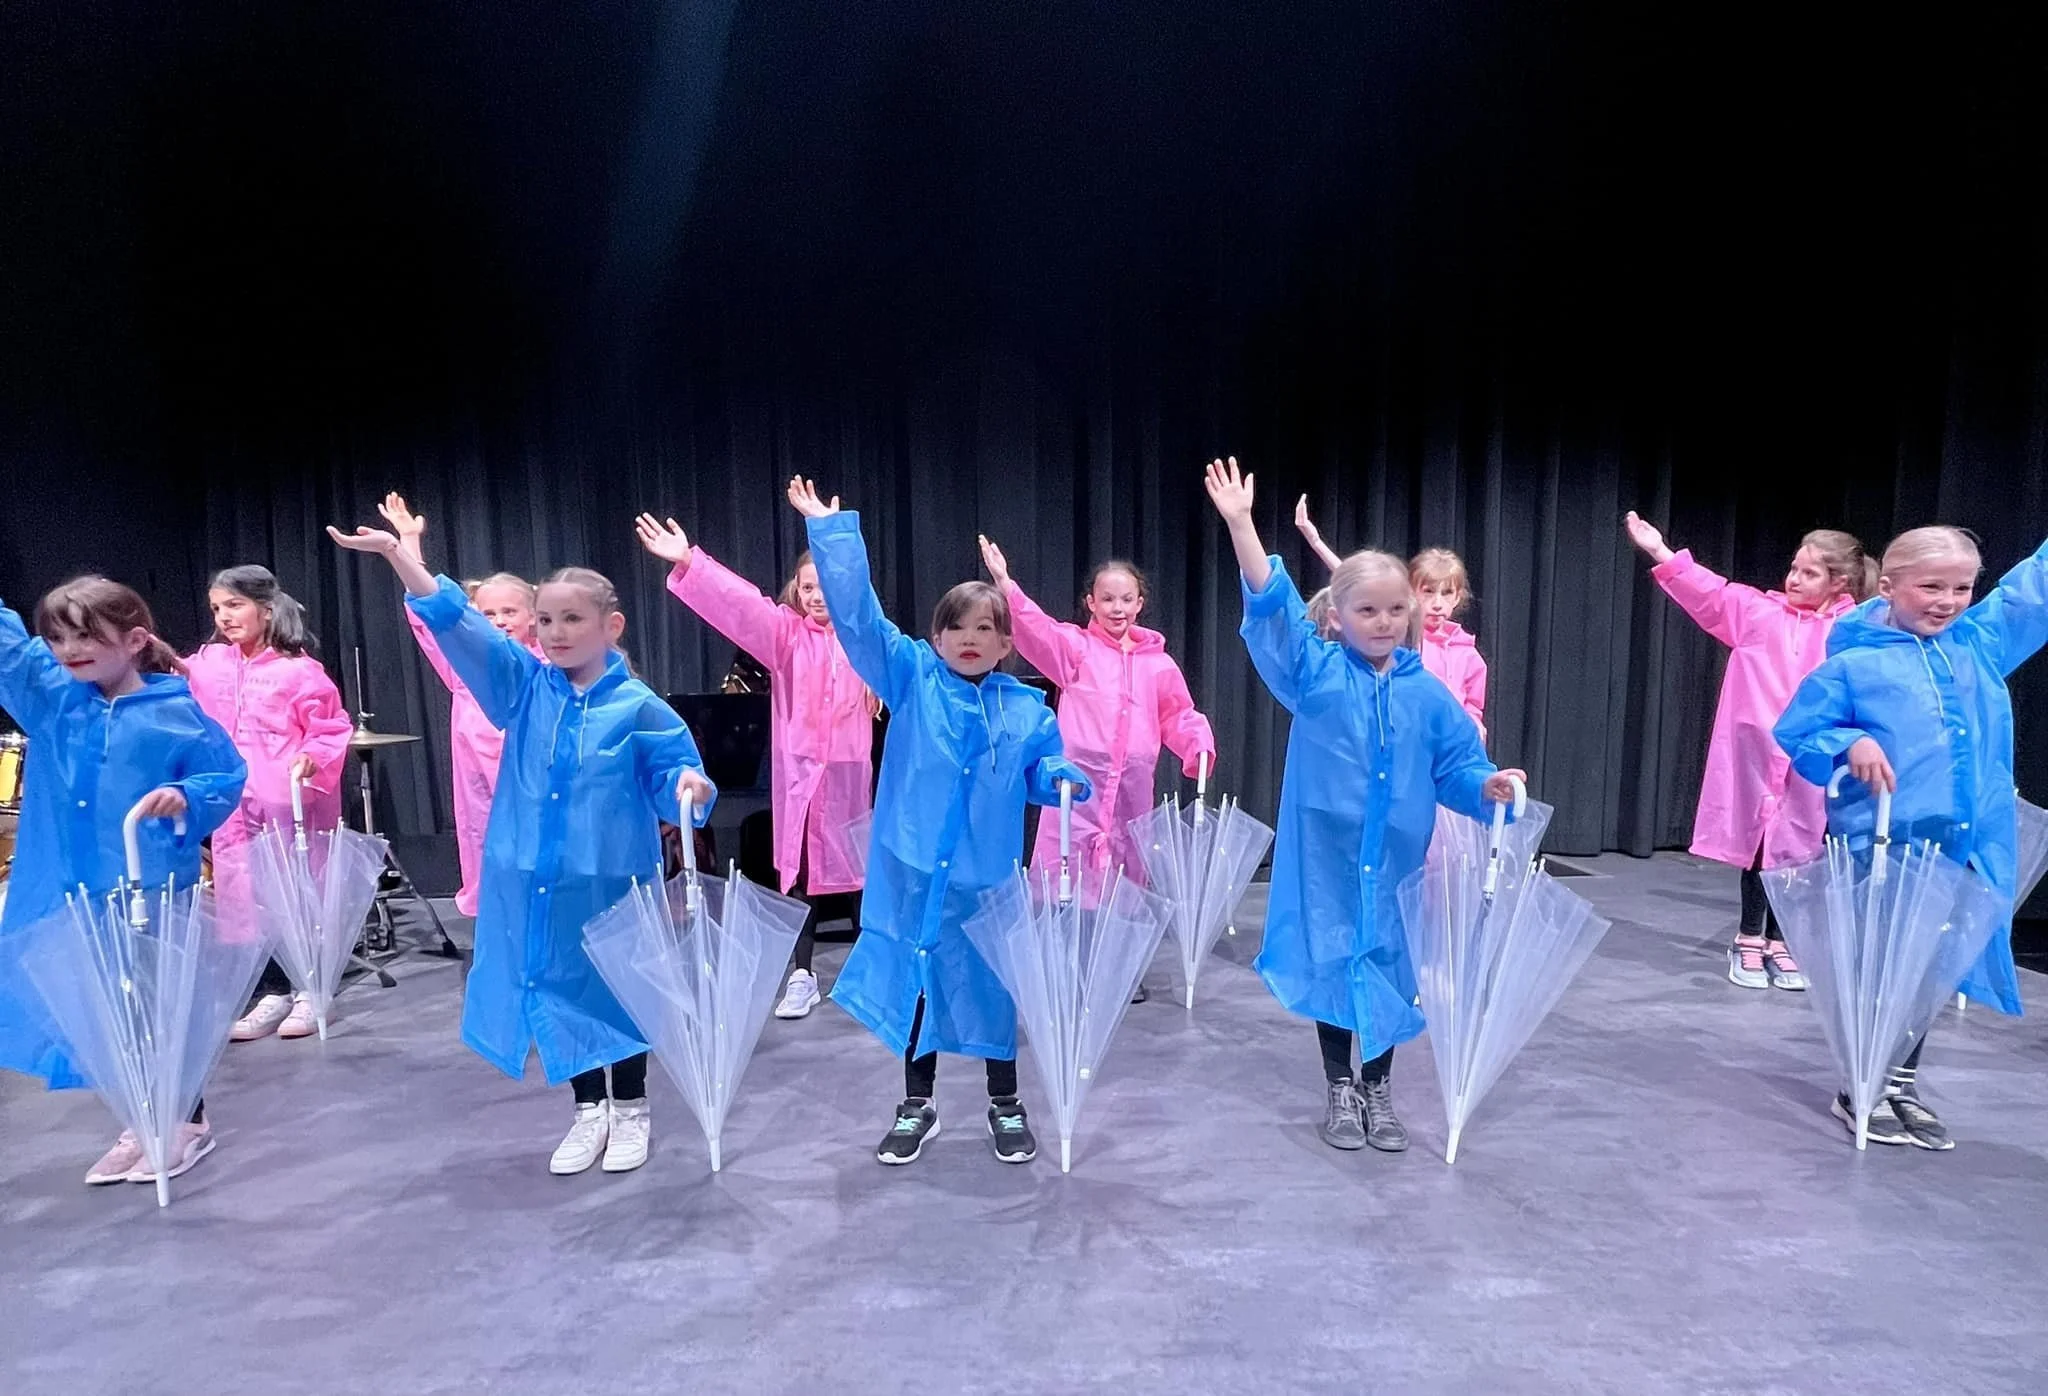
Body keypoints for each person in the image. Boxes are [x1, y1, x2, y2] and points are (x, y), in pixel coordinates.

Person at [330, 518, 716, 1176]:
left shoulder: (641, 708)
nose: (557, 633)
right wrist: (402, 558)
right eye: (546, 621)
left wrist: (690, 786)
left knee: (619, 993)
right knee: (557, 991)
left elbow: (676, 787)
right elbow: (464, 631)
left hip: (611, 882)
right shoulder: (525, 689)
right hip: (539, 881)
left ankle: (631, 1109)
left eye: (572, 619)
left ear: (611, 626)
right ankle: (587, 1110)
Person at [1211, 459, 1522, 1154]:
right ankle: (1338, 1086)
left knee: (1387, 968)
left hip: (1398, 860)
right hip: (1328, 858)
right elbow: (1272, 608)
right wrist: (1241, 525)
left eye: (1394, 609)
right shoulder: (1314, 672)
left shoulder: (1427, 692)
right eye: (1367, 610)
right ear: (1340, 614)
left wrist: (1487, 787)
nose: (1383, 622)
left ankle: (1377, 1085)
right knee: (1335, 963)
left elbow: (1456, 767)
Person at [789, 477, 1091, 1166]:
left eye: (987, 628)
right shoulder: (909, 677)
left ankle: (1004, 1103)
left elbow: (1041, 772)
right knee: (918, 986)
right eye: (957, 626)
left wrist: (1060, 778)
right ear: (935, 635)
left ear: (1007, 644)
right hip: (914, 872)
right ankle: (916, 1103)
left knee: (992, 988)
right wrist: (833, 538)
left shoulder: (1027, 713)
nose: (971, 638)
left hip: (987, 881)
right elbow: (859, 619)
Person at [1776, 525, 2048, 1150]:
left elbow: (2028, 596)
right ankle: (1861, 1083)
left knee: (1931, 967)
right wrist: (1851, 741)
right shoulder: (1852, 663)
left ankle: (1899, 1082)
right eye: (1931, 586)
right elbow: (1800, 733)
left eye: (1961, 587)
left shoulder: (1975, 645)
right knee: (1883, 966)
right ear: (1890, 585)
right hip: (1887, 843)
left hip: (1967, 839)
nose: (1948, 600)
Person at [0, 577, 246, 1185]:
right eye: (57, 637)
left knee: (160, 1004)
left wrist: (184, 794)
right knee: (109, 1007)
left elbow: (224, 775)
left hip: (151, 887)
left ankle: (184, 1121)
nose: (68, 649)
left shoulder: (174, 711)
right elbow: (10, 652)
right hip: (77, 889)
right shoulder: (54, 698)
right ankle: (141, 1118)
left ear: (134, 640)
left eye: (86, 635)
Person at [637, 512, 876, 1020]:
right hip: (801, 780)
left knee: (859, 872)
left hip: (850, 777)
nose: (816, 596)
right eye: (807, 586)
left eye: (826, 585)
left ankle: (869, 973)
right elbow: (741, 605)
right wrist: (690, 561)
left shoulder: (864, 639)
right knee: (801, 875)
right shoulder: (786, 637)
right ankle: (802, 974)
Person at [1626, 512, 1875, 991]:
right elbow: (1710, 592)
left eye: (1809, 573)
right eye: (1795, 568)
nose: (1795, 578)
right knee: (1759, 847)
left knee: (1801, 848)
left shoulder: (1853, 629)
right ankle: (1748, 937)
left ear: (1838, 582)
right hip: (1758, 753)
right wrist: (1659, 550)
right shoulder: (1761, 613)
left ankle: (1784, 941)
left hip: (1815, 756)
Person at [976, 536, 1215, 1001]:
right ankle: (1057, 963)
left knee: (1126, 873)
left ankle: (1120, 965)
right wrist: (1005, 583)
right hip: (1077, 787)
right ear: (1091, 602)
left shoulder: (1158, 665)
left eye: (1126, 598)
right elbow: (1036, 629)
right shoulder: (1077, 649)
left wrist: (1197, 746)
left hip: (1130, 790)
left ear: (1140, 603)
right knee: (1063, 866)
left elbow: (1178, 714)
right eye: (1107, 598)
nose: (1117, 607)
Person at [185, 566, 352, 1042]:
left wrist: (313, 758)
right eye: (217, 608)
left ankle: (312, 991)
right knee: (248, 899)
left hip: (287, 804)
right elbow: (178, 679)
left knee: (298, 895)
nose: (224, 617)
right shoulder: (212, 664)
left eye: (234, 605)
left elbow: (330, 728)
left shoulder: (297, 671)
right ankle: (271, 992)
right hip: (236, 809)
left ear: (266, 607)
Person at [378, 493, 539, 920]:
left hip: (534, 781)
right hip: (482, 789)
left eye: (510, 611)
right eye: (487, 613)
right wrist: (408, 542)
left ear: (534, 616)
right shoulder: (464, 663)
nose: (500, 620)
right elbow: (430, 612)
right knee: (487, 849)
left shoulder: (547, 662)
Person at [1295, 498, 1489, 736]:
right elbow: (1355, 579)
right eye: (1428, 592)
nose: (1437, 603)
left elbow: (1473, 704)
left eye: (1447, 593)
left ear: (1457, 597)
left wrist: (1474, 723)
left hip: (1449, 740)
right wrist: (1315, 541)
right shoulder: (1404, 636)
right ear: (1410, 593)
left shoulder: (1467, 652)